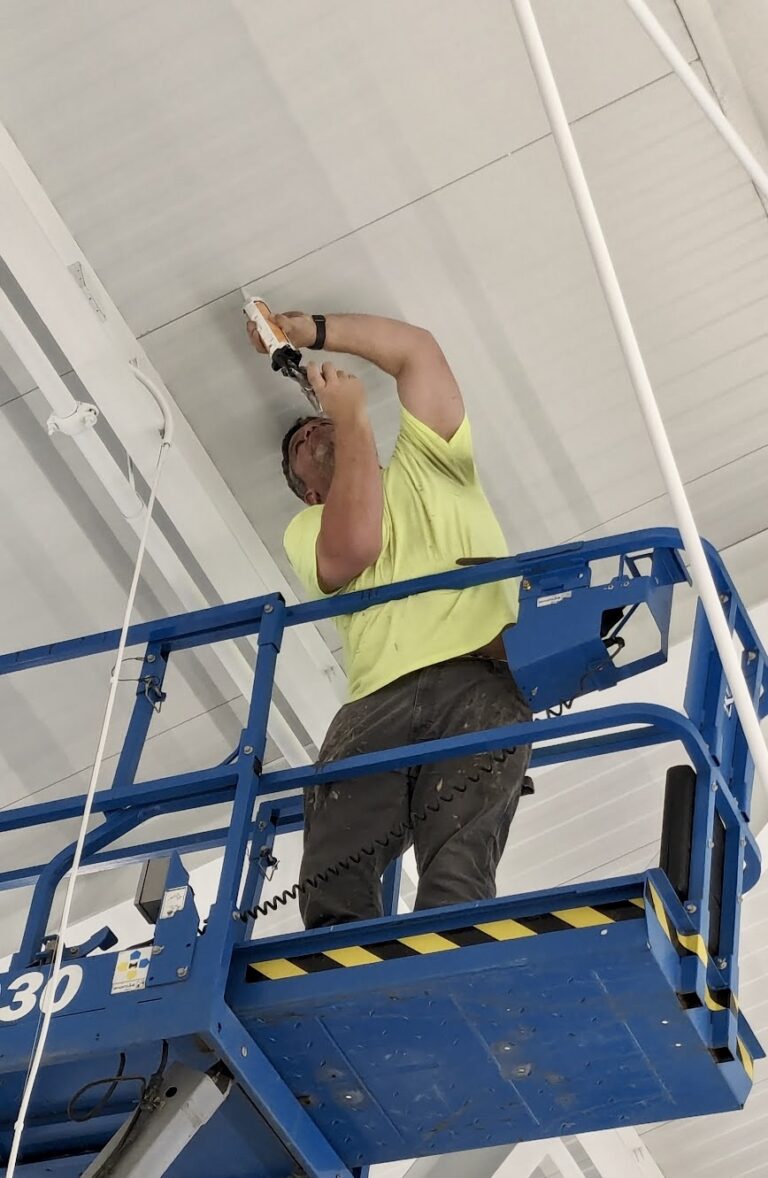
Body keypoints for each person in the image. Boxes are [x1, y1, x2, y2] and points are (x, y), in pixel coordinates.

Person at [247, 310, 531, 929]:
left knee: (458, 870)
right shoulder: (309, 529)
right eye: (300, 445)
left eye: (315, 426)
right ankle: (343, 983)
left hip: (479, 682)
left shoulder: (433, 463)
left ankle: (446, 973)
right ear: (309, 494)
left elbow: (417, 351)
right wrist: (348, 417)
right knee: (334, 878)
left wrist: (309, 330)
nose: (309, 433)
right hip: (377, 703)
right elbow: (356, 547)